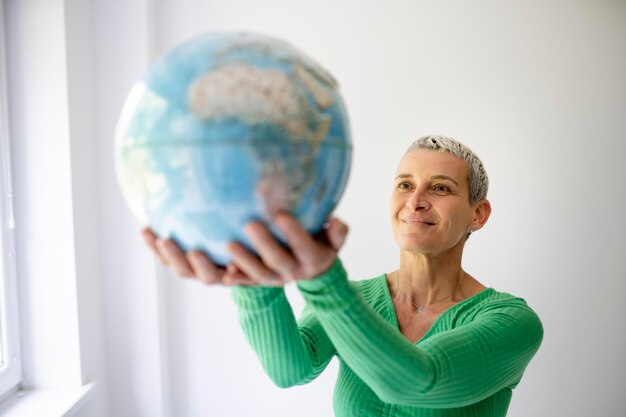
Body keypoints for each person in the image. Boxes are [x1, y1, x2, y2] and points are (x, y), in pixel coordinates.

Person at [143, 135, 543, 416]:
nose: (415, 201)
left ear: (478, 214)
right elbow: (291, 369)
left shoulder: (512, 323)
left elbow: (419, 381)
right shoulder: (358, 297)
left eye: (439, 188)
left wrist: (322, 279)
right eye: (405, 184)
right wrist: (252, 280)